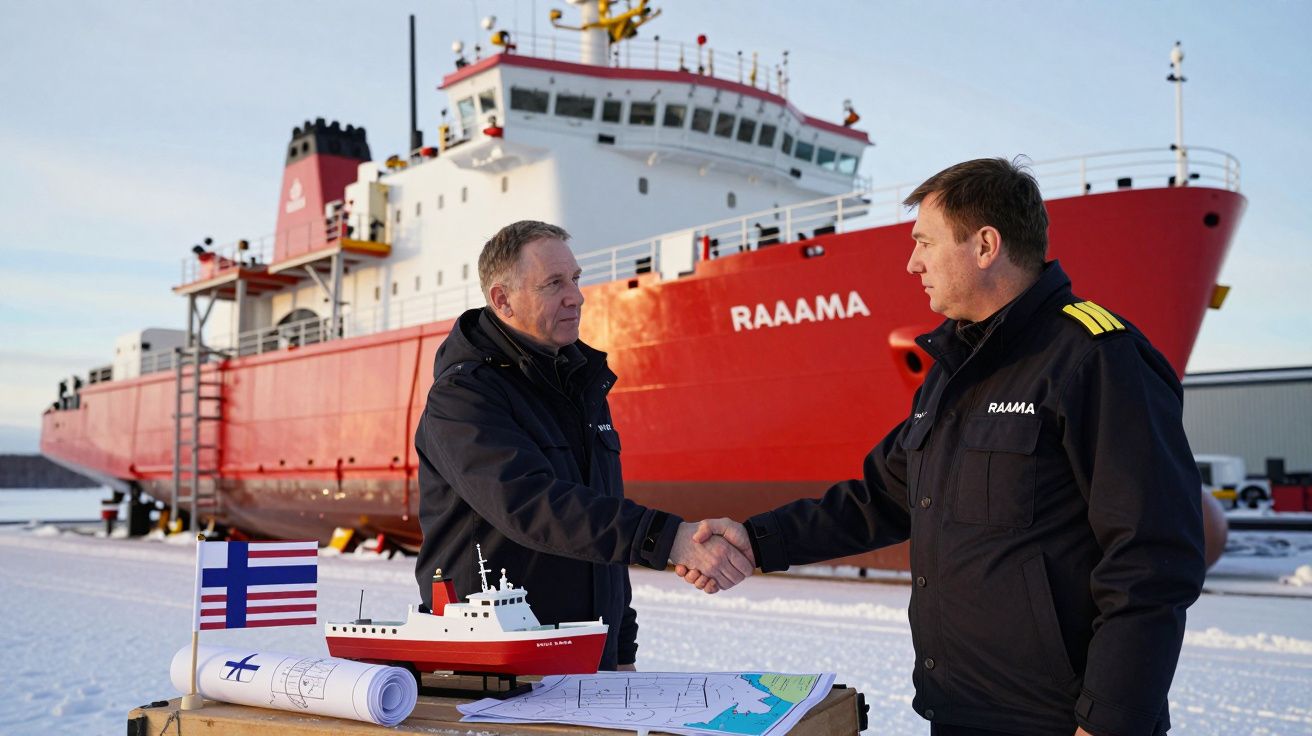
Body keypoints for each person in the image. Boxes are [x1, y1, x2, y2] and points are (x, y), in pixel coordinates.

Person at [680, 158, 1205, 735]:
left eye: (924, 242)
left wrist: (1109, 723)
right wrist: (754, 541)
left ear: (985, 245)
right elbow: (883, 498)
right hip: (961, 713)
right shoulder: (955, 370)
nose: (912, 262)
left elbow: (1151, 560)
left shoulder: (1097, 358)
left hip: (1057, 722)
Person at [414, 220, 754, 672]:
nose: (577, 296)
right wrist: (669, 539)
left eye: (574, 278)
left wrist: (622, 650)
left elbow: (599, 525)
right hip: (497, 670)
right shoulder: (464, 397)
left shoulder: (580, 387)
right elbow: (530, 505)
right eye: (554, 283)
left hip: (589, 666)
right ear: (502, 300)